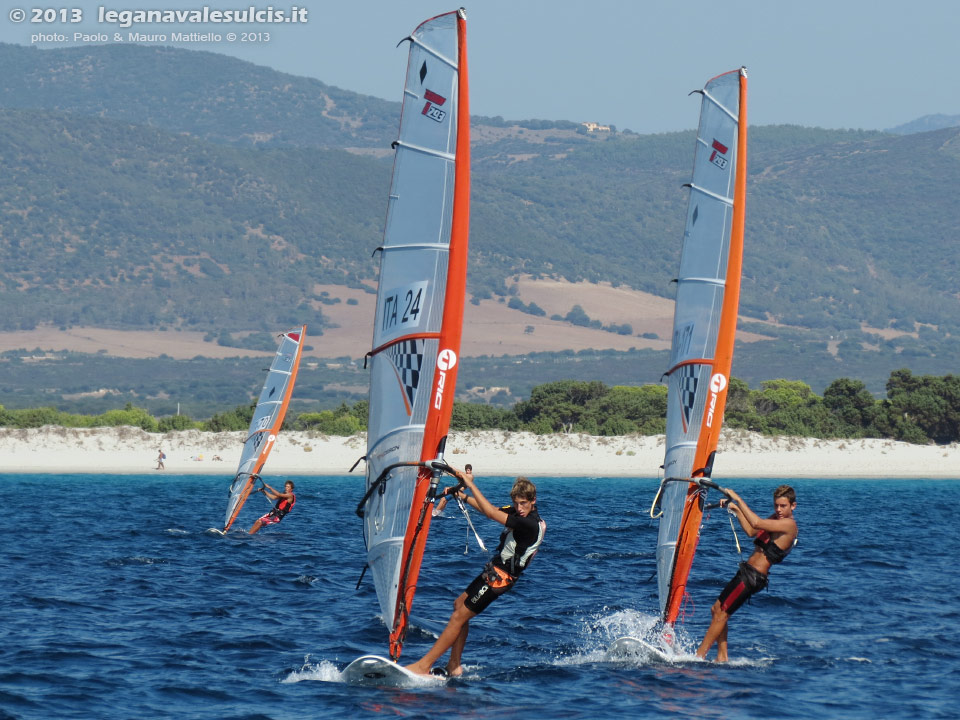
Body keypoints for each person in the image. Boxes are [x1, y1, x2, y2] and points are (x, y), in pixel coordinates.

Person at [406, 470, 545, 677]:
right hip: (493, 572)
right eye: (516, 503)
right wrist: (462, 496)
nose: (519, 508)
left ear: (533, 501)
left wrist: (470, 485)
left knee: (458, 617)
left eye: (523, 503)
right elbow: (489, 509)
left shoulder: (529, 523)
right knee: (459, 605)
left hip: (500, 579)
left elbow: (490, 514)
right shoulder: (518, 513)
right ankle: (454, 665)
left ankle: (423, 666)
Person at [696, 484, 798, 662]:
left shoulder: (789, 525)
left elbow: (756, 522)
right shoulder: (776, 519)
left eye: (783, 506)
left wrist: (738, 499)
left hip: (752, 578)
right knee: (716, 610)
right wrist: (735, 509)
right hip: (746, 572)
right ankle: (722, 657)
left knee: (722, 614)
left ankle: (697, 657)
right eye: (776, 505)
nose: (779, 510)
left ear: (793, 506)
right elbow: (752, 531)